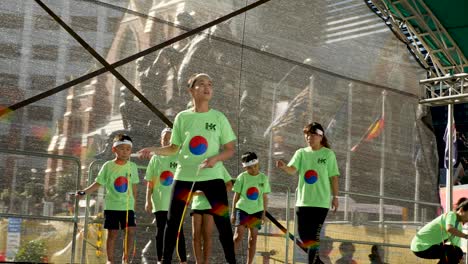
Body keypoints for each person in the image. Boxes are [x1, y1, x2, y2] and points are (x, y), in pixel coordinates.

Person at [138, 73, 237, 264]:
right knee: (172, 222)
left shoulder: (218, 117)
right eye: (202, 84)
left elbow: (230, 149)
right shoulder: (182, 118)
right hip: (184, 176)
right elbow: (173, 148)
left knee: (223, 224)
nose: (207, 87)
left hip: (212, 176)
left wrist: (215, 158)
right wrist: (153, 150)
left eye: (210, 84)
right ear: (191, 90)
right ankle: (165, 260)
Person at [276, 122, 339, 264]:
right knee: (305, 237)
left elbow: (334, 177)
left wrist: (335, 197)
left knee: (313, 238)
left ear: (320, 136)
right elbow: (292, 170)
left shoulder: (328, 154)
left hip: (321, 203)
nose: (308, 137)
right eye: (306, 134)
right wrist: (284, 167)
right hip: (303, 201)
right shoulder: (301, 153)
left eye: (312, 134)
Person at [77, 134, 139, 264]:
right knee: (113, 234)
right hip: (112, 206)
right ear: (114, 150)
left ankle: (125, 259)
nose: (125, 152)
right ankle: (110, 260)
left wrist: (134, 205)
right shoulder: (108, 166)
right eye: (121, 148)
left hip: (128, 207)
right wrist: (84, 192)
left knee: (131, 232)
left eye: (128, 149)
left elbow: (134, 188)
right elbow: (98, 183)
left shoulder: (133, 166)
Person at [144, 127, 187, 264]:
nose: (167, 141)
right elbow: (150, 181)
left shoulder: (180, 156)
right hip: (159, 201)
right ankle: (160, 260)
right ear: (160, 141)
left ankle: (183, 260)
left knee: (178, 231)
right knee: (161, 230)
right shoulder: (155, 158)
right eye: (164, 139)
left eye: (170, 138)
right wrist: (148, 201)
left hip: (176, 200)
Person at [231, 151, 271, 264]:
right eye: (249, 168)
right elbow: (236, 195)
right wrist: (233, 213)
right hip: (242, 209)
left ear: (258, 164)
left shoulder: (263, 178)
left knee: (253, 239)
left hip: (257, 211)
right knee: (238, 236)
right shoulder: (242, 177)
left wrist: (263, 213)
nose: (253, 169)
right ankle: (231, 260)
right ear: (245, 168)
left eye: (255, 166)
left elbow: (264, 197)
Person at [191, 165, 233, 264]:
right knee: (195, 236)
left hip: (211, 206)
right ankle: (198, 262)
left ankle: (206, 262)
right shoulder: (195, 165)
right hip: (196, 206)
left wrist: (216, 194)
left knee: (207, 235)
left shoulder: (219, 166)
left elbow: (229, 185)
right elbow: (188, 187)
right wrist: (198, 193)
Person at [411, 199, 468, 264]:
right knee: (454, 252)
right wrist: (466, 236)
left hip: (430, 247)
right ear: (461, 210)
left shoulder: (459, 227)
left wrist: (461, 258)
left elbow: (455, 247)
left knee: (457, 252)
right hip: (421, 245)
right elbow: (449, 228)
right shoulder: (451, 214)